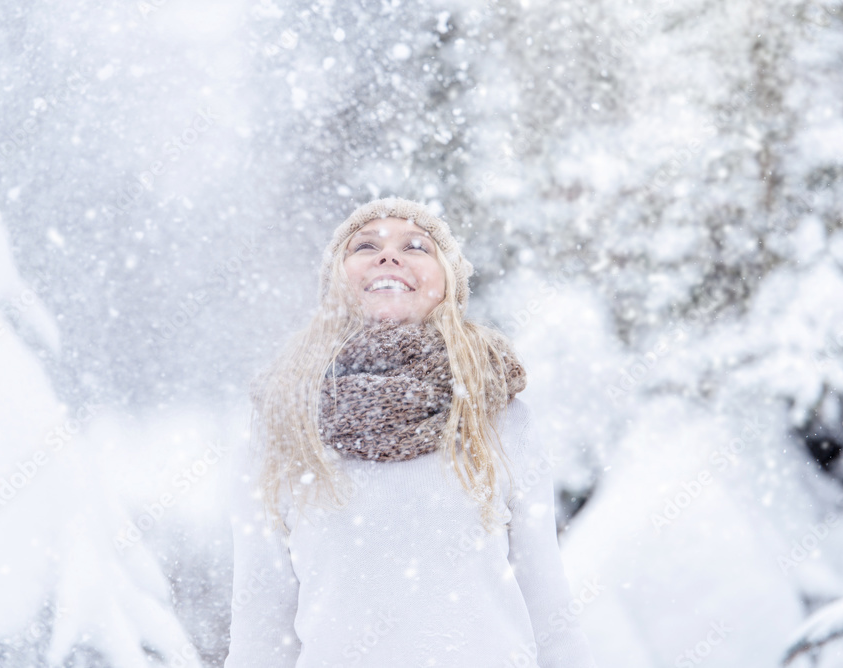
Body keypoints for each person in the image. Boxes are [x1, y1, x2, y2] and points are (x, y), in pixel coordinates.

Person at [224, 197, 599, 667]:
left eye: (416, 245)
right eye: (365, 245)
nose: (389, 255)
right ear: (334, 284)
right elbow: (262, 624)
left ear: (449, 285)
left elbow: (547, 605)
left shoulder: (499, 416)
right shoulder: (283, 423)